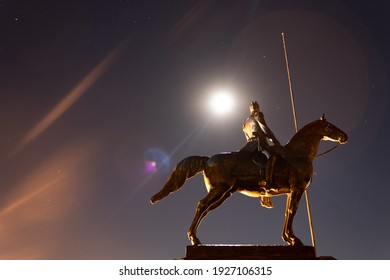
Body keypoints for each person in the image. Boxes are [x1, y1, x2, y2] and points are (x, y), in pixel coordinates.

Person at [240, 101, 280, 208]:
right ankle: (268, 185)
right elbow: (265, 129)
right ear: (257, 108)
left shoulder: (245, 124)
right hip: (260, 144)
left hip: (249, 147)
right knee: (272, 157)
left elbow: (248, 138)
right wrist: (275, 141)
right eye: (256, 107)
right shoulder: (258, 115)